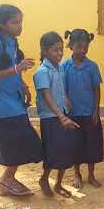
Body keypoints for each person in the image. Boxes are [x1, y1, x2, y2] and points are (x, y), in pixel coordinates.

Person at [0, 4, 42, 197]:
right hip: (2, 105)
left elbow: (12, 70)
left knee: (22, 143)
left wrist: (22, 85)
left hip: (14, 101)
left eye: (20, 21)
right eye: (15, 22)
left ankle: (8, 180)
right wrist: (17, 69)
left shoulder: (12, 43)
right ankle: (6, 179)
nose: (20, 26)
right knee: (17, 143)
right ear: (2, 24)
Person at [33, 32, 79, 198]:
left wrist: (66, 99)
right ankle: (44, 179)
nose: (59, 53)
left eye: (61, 50)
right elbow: (47, 96)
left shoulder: (60, 68)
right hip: (51, 118)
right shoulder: (42, 72)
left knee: (65, 151)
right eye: (55, 50)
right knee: (52, 152)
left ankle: (59, 183)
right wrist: (61, 116)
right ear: (45, 51)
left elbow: (60, 89)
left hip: (62, 114)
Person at [62, 29, 104, 189]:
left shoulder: (92, 67)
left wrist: (96, 111)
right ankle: (77, 174)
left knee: (92, 145)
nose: (82, 50)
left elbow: (96, 89)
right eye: (79, 46)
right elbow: (62, 89)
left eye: (86, 47)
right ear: (71, 46)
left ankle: (91, 175)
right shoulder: (65, 66)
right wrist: (66, 99)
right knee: (75, 145)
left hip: (89, 113)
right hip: (73, 115)